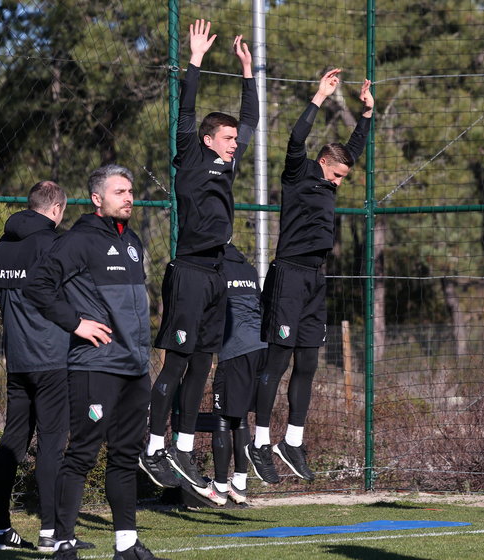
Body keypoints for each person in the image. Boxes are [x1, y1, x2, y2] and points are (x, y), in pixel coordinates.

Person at [24, 165, 167, 560]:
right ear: (96, 198)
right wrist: (75, 323)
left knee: (124, 456)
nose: (129, 197)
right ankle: (63, 543)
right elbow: (37, 285)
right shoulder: (78, 240)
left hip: (135, 367)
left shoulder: (133, 240)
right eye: (119, 191)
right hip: (96, 365)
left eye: (131, 191)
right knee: (83, 454)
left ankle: (125, 545)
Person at [140, 18, 258, 491]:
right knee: (177, 362)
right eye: (227, 139)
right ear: (210, 141)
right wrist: (195, 61)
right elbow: (186, 111)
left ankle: (184, 452)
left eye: (234, 142)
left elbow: (249, 121)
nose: (234, 145)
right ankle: (152, 448)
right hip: (188, 271)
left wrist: (248, 73)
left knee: (204, 364)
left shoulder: (229, 167)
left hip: (217, 275)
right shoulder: (191, 154)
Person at [247, 69, 374, 484]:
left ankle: (293, 442)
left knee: (309, 361)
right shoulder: (299, 174)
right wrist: (320, 96)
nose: (340, 182)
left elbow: (352, 149)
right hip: (287, 276)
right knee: (278, 360)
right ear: (323, 164)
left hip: (316, 280)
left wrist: (367, 115)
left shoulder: (331, 183)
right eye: (337, 174)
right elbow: (296, 139)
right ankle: (261, 441)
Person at [0, 180, 91, 551]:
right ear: (57, 209)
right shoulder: (52, 244)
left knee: (12, 439)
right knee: (51, 443)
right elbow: (68, 298)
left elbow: (1, 300)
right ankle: (51, 531)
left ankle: (0, 529)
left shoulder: (2, 247)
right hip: (52, 357)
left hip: (17, 358)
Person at [194, 244, 265, 506]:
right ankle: (240, 485)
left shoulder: (215, 268)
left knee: (222, 417)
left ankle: (220, 487)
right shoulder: (248, 268)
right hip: (259, 348)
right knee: (241, 417)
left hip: (235, 350)